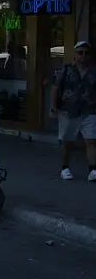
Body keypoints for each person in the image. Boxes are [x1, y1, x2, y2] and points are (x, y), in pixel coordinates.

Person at [50, 41, 96, 180]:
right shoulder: (66, 69)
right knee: (67, 142)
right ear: (75, 55)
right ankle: (65, 167)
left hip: (89, 111)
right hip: (68, 112)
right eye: (80, 52)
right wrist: (53, 107)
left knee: (91, 141)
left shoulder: (94, 72)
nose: (83, 55)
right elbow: (55, 88)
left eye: (86, 53)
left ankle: (93, 170)